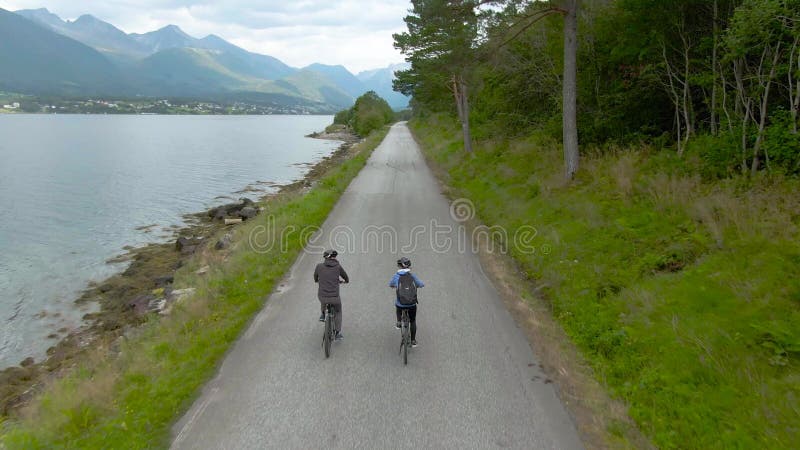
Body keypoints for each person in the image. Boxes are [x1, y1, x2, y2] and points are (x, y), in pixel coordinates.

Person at [389, 257, 424, 347]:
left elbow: (390, 284)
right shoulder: (412, 276)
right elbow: (421, 284)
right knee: (413, 321)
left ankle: (398, 322)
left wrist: (394, 286)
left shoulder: (396, 276)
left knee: (397, 306)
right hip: (412, 304)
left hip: (400, 304)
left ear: (399, 266)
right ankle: (413, 340)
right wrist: (418, 286)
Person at [314, 250, 349, 340]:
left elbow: (315, 277)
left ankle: (322, 314)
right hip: (335, 298)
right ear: (334, 258)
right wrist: (346, 281)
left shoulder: (319, 266)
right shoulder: (338, 267)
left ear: (325, 258)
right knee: (338, 311)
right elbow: (345, 276)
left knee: (324, 297)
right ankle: (337, 333)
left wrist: (317, 280)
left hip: (322, 296)